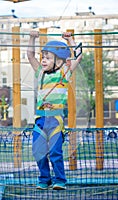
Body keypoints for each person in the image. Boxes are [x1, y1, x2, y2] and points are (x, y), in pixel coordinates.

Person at [27, 31, 82, 190]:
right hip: (41, 120)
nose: (43, 60)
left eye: (48, 57)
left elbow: (78, 55)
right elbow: (30, 56)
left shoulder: (64, 72)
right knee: (38, 151)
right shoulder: (40, 73)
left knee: (55, 152)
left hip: (56, 120)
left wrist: (70, 40)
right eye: (43, 57)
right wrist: (32, 38)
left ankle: (60, 180)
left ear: (59, 61)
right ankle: (45, 179)